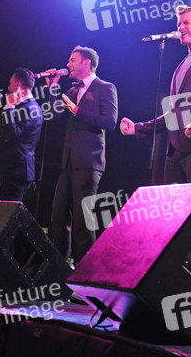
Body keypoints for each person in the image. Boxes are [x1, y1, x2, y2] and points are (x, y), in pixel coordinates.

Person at [120, 5, 191, 184]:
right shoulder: (183, 64)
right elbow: (173, 114)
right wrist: (138, 128)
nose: (180, 27)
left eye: (186, 22)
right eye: (179, 24)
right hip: (174, 153)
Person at [49, 46, 118, 264]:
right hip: (67, 162)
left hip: (89, 162)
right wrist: (53, 88)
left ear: (86, 63)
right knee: (58, 217)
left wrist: (78, 111)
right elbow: (54, 116)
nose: (67, 64)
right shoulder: (72, 91)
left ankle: (84, 272)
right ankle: (59, 270)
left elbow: (110, 122)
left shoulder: (105, 88)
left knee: (82, 221)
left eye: (72, 60)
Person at [0, 68, 43, 202]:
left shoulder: (29, 108)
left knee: (7, 212)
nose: (8, 87)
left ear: (17, 84)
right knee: (7, 210)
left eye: (10, 83)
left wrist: (9, 107)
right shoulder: (28, 106)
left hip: (16, 170)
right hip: (15, 170)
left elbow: (11, 134)